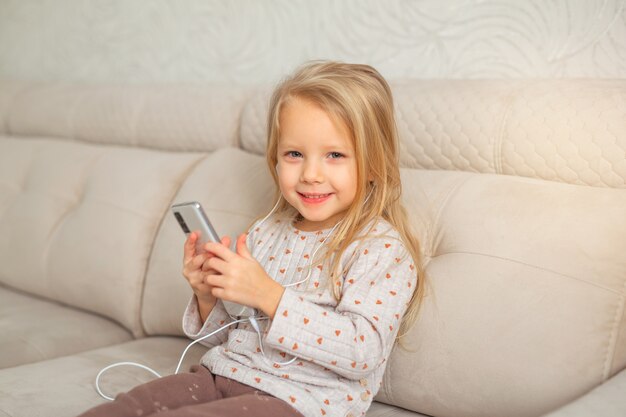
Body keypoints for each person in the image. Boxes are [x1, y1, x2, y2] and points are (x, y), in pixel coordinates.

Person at [78, 61, 425, 417]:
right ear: (275, 158)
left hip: (298, 401)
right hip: (220, 375)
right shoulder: (266, 231)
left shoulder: (380, 249)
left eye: (334, 155)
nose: (310, 174)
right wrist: (207, 295)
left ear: (373, 164)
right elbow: (230, 333)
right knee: (122, 409)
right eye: (294, 154)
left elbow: (362, 352)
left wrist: (270, 295)